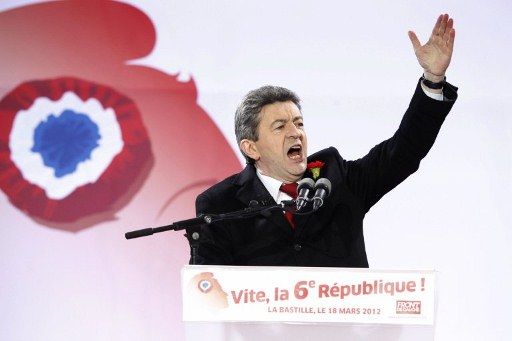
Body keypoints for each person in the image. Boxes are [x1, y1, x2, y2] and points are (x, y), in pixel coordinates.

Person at [187, 14, 458, 267]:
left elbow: (403, 152)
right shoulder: (220, 204)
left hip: (344, 318)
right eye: (280, 126)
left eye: (299, 123)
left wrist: (433, 81)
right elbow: (209, 290)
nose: (295, 133)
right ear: (251, 147)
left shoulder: (335, 178)